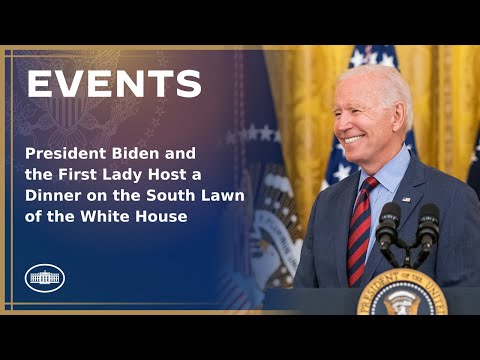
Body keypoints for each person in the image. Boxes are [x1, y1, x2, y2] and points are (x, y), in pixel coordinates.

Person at [294, 64, 480, 289]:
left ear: (396, 116)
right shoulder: (326, 202)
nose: (342, 125)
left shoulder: (453, 200)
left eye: (355, 110)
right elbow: (303, 300)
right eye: (337, 113)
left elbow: (464, 304)